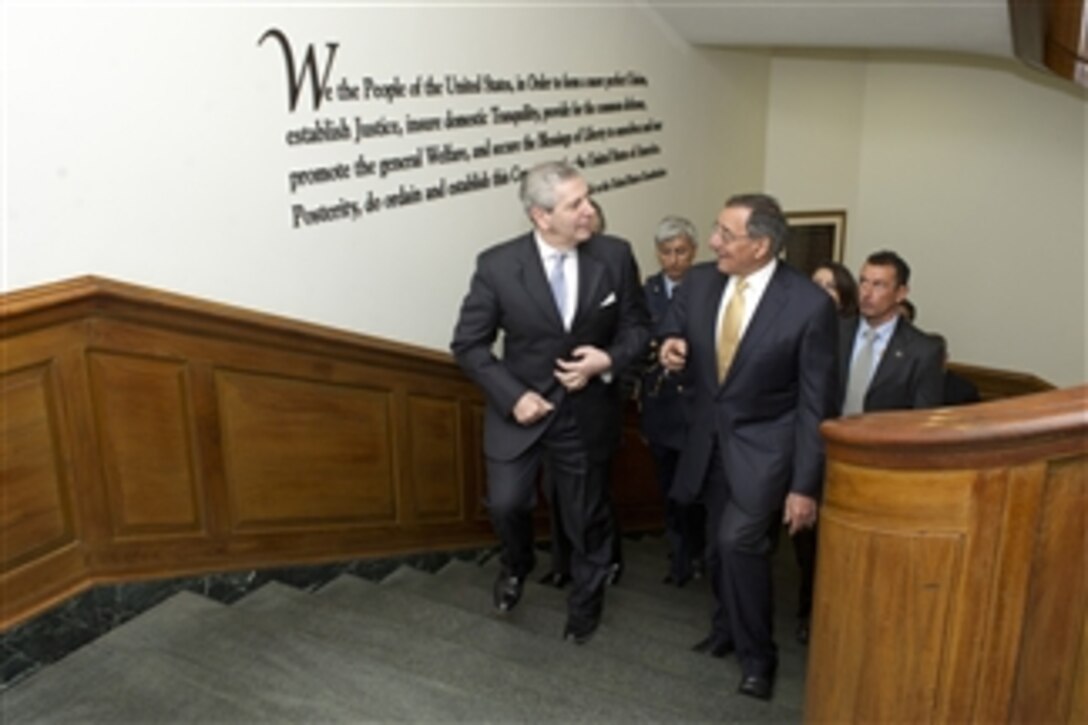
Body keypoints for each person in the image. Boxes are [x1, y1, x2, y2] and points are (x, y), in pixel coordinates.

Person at [451, 160, 650, 644]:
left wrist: (606, 360)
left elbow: (639, 329)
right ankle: (515, 565)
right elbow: (469, 345)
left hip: (585, 416)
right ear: (542, 216)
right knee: (507, 504)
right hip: (520, 412)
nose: (589, 210)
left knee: (585, 517)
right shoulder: (497, 266)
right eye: (575, 204)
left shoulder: (615, 255)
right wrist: (513, 395)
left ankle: (586, 602)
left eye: (587, 198)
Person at [658, 193, 838, 700]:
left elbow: (814, 404)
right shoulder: (699, 282)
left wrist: (805, 486)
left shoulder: (808, 305)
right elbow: (673, 322)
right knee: (716, 547)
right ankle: (725, 631)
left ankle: (760, 658)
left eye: (724, 234)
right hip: (707, 444)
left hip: (766, 454)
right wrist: (671, 342)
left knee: (739, 543)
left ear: (760, 245)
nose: (712, 242)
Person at [539, 197, 624, 590]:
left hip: (596, 408)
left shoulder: (614, 267)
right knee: (557, 493)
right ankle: (564, 565)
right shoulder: (532, 270)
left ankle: (603, 564)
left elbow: (630, 335)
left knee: (593, 496)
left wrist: (603, 367)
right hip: (547, 409)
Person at [788, 259, 860, 645]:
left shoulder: (852, 334)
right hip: (813, 451)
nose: (821, 291)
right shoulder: (801, 332)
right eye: (815, 283)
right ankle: (807, 612)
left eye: (830, 286)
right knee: (808, 545)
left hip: (854, 456)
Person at [639, 215, 705, 586]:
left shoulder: (708, 288)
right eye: (667, 252)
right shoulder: (645, 292)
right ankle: (679, 555)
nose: (675, 259)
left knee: (694, 488)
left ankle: (698, 551)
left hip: (696, 406)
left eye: (681, 251)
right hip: (660, 404)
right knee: (668, 487)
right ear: (658, 254)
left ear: (694, 252)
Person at [839, 251, 945, 415]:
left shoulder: (922, 351)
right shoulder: (836, 332)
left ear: (900, 293)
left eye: (878, 285)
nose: (866, 293)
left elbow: (922, 419)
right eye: (863, 282)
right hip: (829, 436)